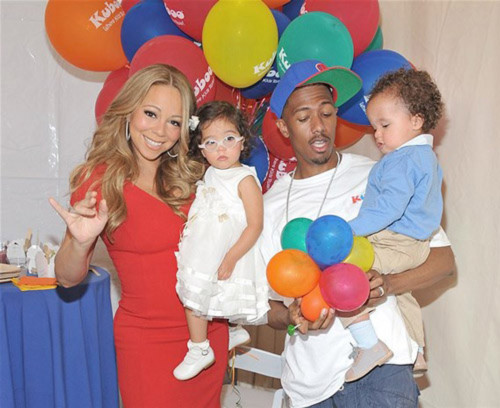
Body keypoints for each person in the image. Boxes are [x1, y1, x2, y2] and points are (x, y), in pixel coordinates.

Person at [261, 59, 455, 408]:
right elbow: (266, 306)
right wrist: (292, 317)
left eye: (327, 113)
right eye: (303, 118)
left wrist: (386, 285)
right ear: (283, 127)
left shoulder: (380, 172)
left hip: (383, 375)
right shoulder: (268, 206)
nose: (319, 127)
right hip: (310, 386)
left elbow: (443, 261)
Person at [49, 64, 228, 407]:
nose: (160, 131)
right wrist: (79, 241)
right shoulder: (99, 181)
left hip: (207, 337)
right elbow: (67, 279)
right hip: (147, 343)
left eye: (174, 122)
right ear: (129, 111)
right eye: (151, 114)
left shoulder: (195, 176)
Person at [344, 68, 444, 381]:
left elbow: (388, 208)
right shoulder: (423, 156)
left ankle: (368, 344)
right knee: (403, 295)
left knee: (344, 271)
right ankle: (416, 350)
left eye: (385, 125)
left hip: (396, 240)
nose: (377, 134)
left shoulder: (404, 160)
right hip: (413, 244)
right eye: (374, 127)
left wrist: (350, 229)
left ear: (416, 120)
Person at [173, 101, 269, 381]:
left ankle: (199, 348)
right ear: (202, 149)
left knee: (195, 294)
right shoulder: (211, 173)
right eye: (211, 143)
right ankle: (233, 330)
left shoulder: (244, 179)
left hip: (228, 250)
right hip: (206, 245)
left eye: (229, 139)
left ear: (242, 141)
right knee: (205, 291)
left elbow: (255, 225)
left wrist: (231, 257)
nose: (221, 149)